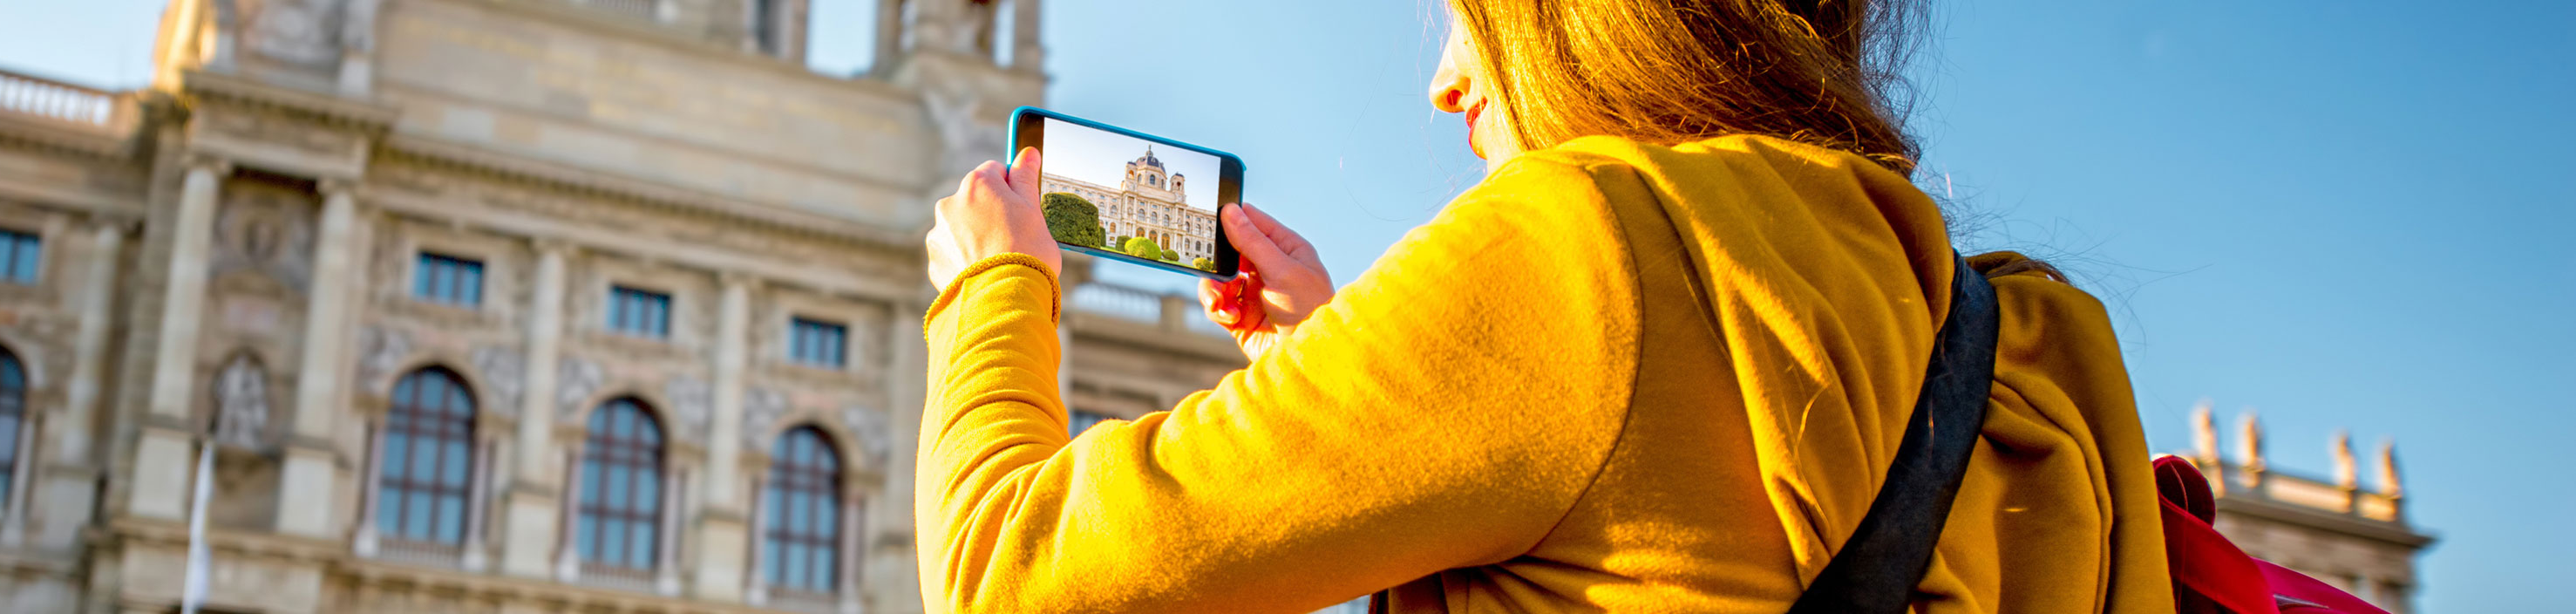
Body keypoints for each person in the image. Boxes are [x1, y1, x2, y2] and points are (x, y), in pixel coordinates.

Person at [913, 0, 2172, 612]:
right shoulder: (2027, 328)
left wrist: (991, 283)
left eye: (1466, 20)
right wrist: (1336, 351)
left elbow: (1004, 571)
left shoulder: (1579, 239)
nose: (1446, 87)